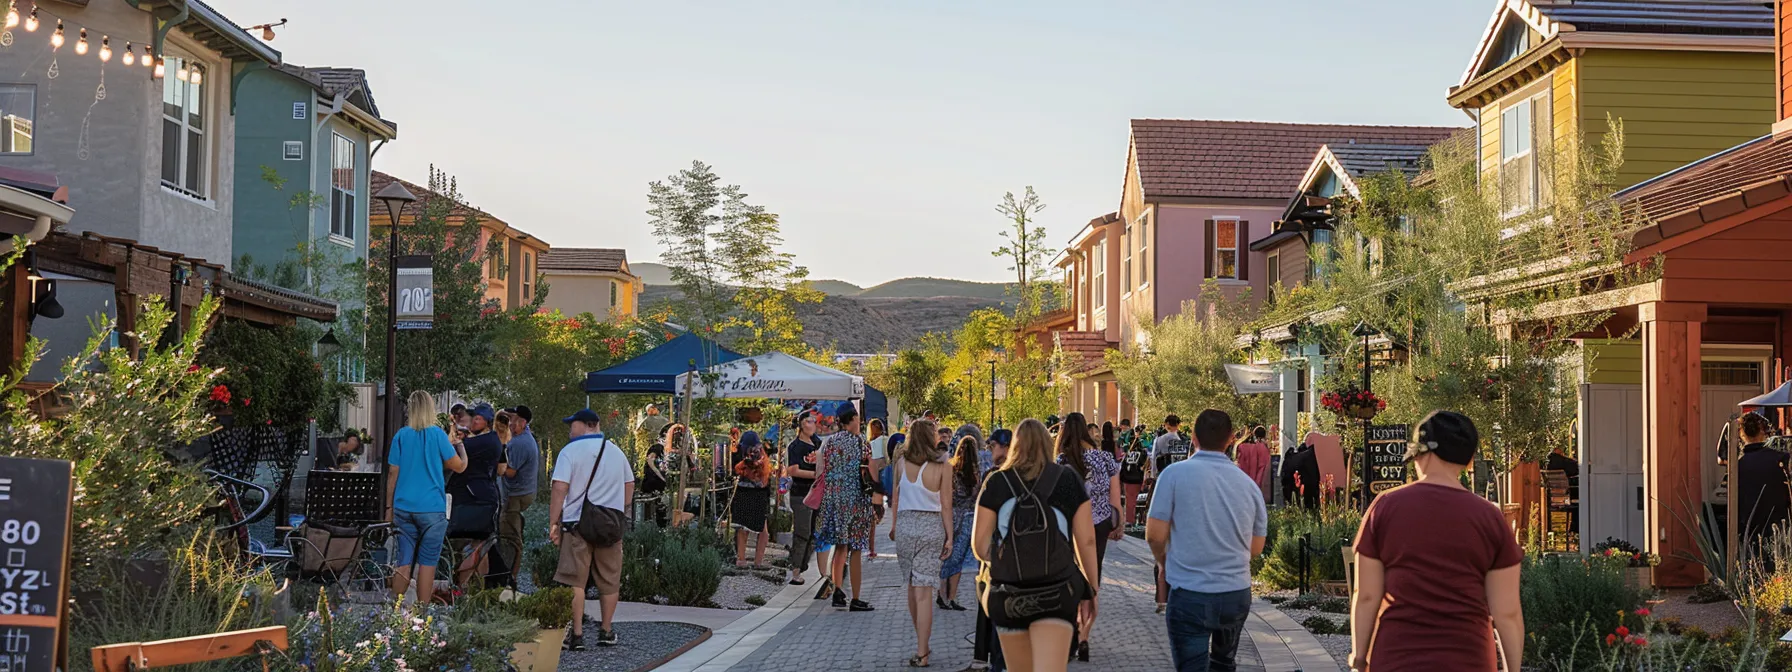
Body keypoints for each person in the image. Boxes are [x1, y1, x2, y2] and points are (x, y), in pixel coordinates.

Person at [1349, 410, 1523, 672]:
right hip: (1469, 659)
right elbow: (1507, 612)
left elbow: (1367, 595)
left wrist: (1360, 658)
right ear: (1468, 460)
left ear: (1422, 454)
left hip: (1397, 658)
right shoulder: (1490, 517)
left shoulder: (1385, 507)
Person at [1146, 409, 1267, 672]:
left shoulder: (1173, 475)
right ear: (1232, 439)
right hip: (1235, 592)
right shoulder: (1249, 487)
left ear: (1193, 437)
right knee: (1224, 663)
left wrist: (1164, 562)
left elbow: (1154, 535)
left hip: (1190, 591)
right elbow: (1256, 548)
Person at [973, 418, 1099, 672]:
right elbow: (1086, 540)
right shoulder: (1068, 480)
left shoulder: (996, 482)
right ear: (1048, 444)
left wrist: (1009, 560)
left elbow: (979, 545)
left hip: (1010, 596)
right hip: (1057, 590)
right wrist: (1091, 589)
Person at [549, 408, 635, 650]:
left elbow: (559, 489)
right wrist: (619, 508)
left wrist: (553, 522)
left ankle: (576, 635)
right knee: (610, 580)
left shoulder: (570, 451)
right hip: (610, 525)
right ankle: (606, 631)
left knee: (575, 580)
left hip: (577, 525)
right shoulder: (616, 451)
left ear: (589, 425)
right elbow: (629, 485)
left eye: (572, 424)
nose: (569, 429)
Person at [386, 390, 468, 603]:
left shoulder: (401, 436)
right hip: (432, 508)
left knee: (403, 560)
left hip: (404, 506)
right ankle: (422, 615)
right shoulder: (437, 435)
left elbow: (393, 473)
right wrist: (460, 446)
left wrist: (388, 508)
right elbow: (458, 467)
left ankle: (394, 612)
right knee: (427, 563)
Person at [1055, 412, 1123, 662]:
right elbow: (1115, 497)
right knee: (1092, 579)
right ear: (1086, 430)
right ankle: (1085, 635)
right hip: (1100, 524)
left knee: (1071, 578)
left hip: (1070, 526)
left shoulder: (1062, 460)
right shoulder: (1105, 458)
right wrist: (1120, 523)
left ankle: (1072, 633)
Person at [888, 418, 953, 668]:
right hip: (931, 526)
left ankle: (921, 643)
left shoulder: (901, 464)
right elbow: (946, 504)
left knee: (912, 586)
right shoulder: (943, 467)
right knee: (925, 591)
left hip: (905, 524)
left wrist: (894, 526)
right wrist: (950, 536)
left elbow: (895, 497)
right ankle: (923, 650)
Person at [815, 405, 877, 611]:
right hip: (856, 501)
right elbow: (870, 470)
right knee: (856, 548)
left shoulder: (829, 443)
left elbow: (823, 469)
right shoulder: (862, 443)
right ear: (852, 420)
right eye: (858, 420)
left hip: (835, 500)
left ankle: (838, 590)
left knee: (841, 546)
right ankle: (856, 598)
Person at [969, 429, 1014, 672]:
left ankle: (986, 658)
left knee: (992, 609)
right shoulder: (1030, 475)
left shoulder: (995, 477)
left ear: (1005, 447)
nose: (990, 451)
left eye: (993, 446)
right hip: (1018, 558)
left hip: (996, 554)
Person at [1735, 411, 1787, 563]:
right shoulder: (1780, 459)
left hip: (1749, 525)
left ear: (1742, 434)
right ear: (1762, 431)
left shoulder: (1739, 465)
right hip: (1778, 522)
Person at [497, 406, 540, 587]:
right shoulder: (523, 436)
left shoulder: (519, 444)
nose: (510, 424)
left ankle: (509, 577)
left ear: (522, 423)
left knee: (510, 537)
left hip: (515, 495)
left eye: (513, 420)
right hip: (523, 492)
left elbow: (511, 472)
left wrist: (495, 461)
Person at [940, 434, 981, 612]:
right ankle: (952, 597)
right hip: (968, 518)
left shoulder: (951, 468)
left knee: (945, 555)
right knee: (958, 559)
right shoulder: (976, 472)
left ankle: (941, 595)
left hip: (950, 515)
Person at [785, 411, 824, 586]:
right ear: (801, 424)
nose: (813, 424)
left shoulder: (817, 442)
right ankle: (795, 571)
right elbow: (792, 470)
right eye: (809, 421)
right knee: (802, 532)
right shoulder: (795, 447)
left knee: (814, 533)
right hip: (801, 494)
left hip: (816, 493)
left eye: (814, 421)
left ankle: (802, 564)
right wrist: (815, 475)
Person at [732, 431, 776, 569]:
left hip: (746, 494)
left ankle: (742, 559)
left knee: (745, 529)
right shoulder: (759, 455)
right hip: (754, 494)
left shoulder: (739, 454)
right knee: (756, 530)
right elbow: (764, 479)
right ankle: (755, 561)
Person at [868, 418, 889, 558]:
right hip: (879, 479)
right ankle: (871, 548)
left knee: (875, 513)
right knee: (876, 512)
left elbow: (873, 462)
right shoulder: (884, 441)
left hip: (874, 480)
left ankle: (871, 548)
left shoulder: (872, 443)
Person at [1119, 429, 1149, 529]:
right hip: (1139, 478)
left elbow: (1122, 466)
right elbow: (1145, 466)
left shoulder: (1127, 453)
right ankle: (1140, 520)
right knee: (1141, 500)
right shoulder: (1144, 453)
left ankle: (1129, 520)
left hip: (1128, 478)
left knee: (1129, 500)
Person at [1235, 426, 1272, 503]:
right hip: (1258, 485)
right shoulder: (1263, 448)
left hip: (1245, 485)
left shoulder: (1242, 448)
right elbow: (1263, 467)